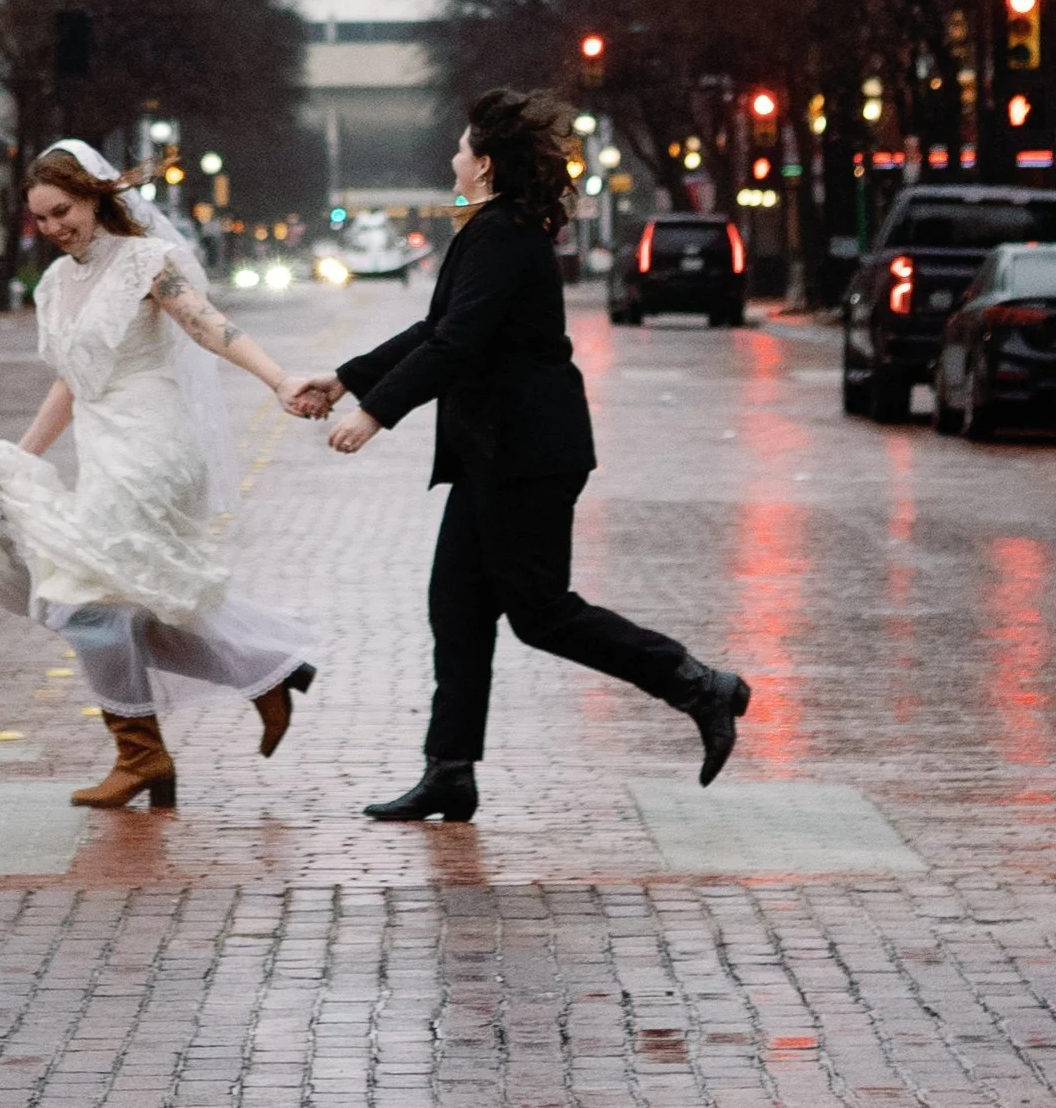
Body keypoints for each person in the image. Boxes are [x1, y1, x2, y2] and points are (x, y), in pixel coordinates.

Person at [296, 88, 751, 821]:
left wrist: (374, 413)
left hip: (526, 452)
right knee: (458, 607)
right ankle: (449, 769)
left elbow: (455, 342)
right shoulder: (490, 229)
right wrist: (349, 377)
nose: (450, 155)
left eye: (459, 146)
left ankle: (699, 684)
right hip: (494, 451)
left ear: (482, 162)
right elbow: (436, 327)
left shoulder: (503, 233)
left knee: (540, 612)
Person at [0, 141, 322, 812]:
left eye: (62, 210)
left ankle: (145, 751)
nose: (54, 228)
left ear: (96, 196)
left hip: (152, 449)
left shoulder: (146, 263)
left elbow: (209, 327)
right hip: (104, 452)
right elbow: (72, 380)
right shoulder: (52, 285)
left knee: (79, 599)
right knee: (111, 606)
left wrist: (278, 379)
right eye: (40, 219)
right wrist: (25, 454)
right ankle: (257, 676)